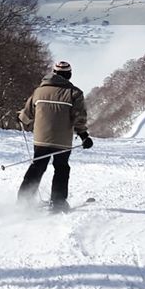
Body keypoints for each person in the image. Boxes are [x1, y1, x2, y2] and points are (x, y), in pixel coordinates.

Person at [16, 60, 92, 212]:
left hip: (41, 139)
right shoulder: (74, 93)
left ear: (54, 73)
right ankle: (58, 202)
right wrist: (84, 136)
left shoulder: (39, 91)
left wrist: (20, 118)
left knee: (37, 166)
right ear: (69, 75)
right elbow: (79, 118)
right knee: (61, 168)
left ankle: (24, 201)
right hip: (62, 141)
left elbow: (27, 114)